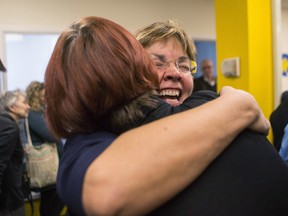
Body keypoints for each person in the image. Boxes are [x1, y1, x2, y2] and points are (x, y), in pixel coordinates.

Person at [44, 16, 272, 216]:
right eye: (156, 63)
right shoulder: (91, 142)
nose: (174, 73)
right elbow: (107, 192)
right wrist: (239, 106)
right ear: (130, 73)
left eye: (184, 66)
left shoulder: (209, 106)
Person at [25, 81, 65, 216]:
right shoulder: (32, 115)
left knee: (53, 203)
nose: (46, 99)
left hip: (53, 166)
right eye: (43, 96)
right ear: (35, 97)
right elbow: (52, 135)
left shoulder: (41, 112)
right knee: (51, 205)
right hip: (48, 168)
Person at [0, 89, 30, 216]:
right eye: (24, 103)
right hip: (9, 202)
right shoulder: (10, 128)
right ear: (12, 107)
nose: (28, 106)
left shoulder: (5, 124)